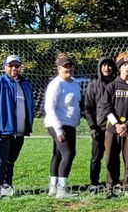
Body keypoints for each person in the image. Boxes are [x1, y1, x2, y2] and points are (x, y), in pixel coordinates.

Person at [0, 54, 35, 201]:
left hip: (19, 130)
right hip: (1, 129)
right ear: (5, 67)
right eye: (10, 65)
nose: (14, 68)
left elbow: (29, 105)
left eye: (17, 66)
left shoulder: (25, 84)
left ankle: (6, 185)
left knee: (10, 160)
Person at [44, 53, 81, 199]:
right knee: (68, 153)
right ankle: (62, 190)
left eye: (70, 66)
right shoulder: (56, 84)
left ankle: (53, 187)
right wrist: (58, 129)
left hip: (70, 124)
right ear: (58, 68)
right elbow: (49, 107)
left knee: (58, 154)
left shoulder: (74, 83)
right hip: (57, 124)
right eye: (65, 66)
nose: (69, 69)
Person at [101, 52, 128, 195]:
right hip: (113, 129)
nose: (127, 68)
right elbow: (106, 107)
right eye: (124, 65)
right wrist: (117, 124)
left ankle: (127, 186)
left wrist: (127, 125)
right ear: (119, 68)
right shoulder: (112, 86)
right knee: (110, 158)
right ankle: (111, 185)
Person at [84, 56, 117, 190]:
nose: (106, 68)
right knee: (96, 157)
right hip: (98, 127)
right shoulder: (93, 85)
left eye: (109, 65)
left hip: (114, 127)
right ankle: (94, 183)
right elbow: (88, 108)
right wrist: (92, 126)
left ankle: (113, 182)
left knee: (112, 157)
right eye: (103, 65)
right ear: (99, 68)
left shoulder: (116, 83)